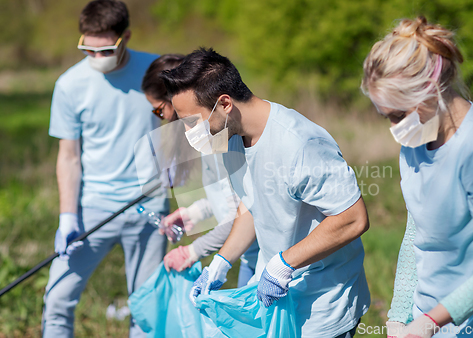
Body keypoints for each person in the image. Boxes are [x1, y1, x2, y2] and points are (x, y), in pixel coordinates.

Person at [160, 48, 371, 337]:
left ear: (224, 104)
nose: (188, 133)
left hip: (323, 305)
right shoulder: (232, 140)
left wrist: (286, 263)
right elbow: (252, 205)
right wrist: (221, 262)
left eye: (192, 122)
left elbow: (353, 218)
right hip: (276, 299)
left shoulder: (299, 143)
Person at [43, 1, 169, 337]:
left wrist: (178, 166)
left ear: (125, 36)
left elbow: (181, 123)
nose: (97, 58)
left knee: (146, 310)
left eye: (106, 50)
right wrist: (67, 217)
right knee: (56, 299)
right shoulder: (69, 85)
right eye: (88, 49)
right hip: (92, 209)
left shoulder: (156, 72)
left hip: (149, 207)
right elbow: (68, 156)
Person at [362, 16, 473, 338]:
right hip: (422, 323)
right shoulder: (414, 142)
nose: (394, 127)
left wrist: (432, 321)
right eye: (386, 116)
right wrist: (399, 315)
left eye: (398, 114)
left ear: (431, 91)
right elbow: (415, 233)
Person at [141, 54, 259, 287]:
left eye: (158, 111)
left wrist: (192, 252)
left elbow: (243, 214)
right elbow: (230, 198)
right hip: (250, 255)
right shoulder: (206, 140)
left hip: (260, 254)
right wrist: (194, 214)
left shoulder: (217, 138)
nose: (160, 118)